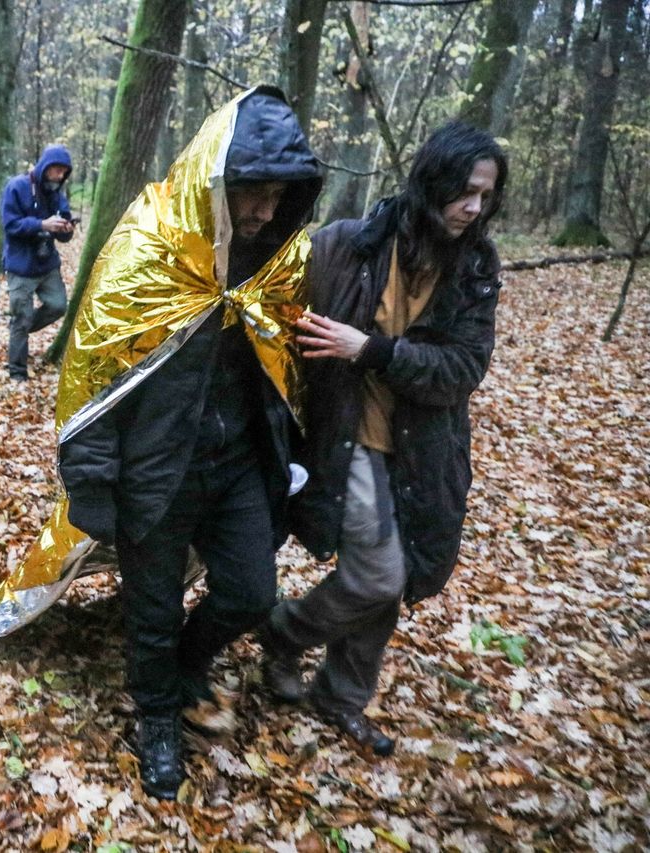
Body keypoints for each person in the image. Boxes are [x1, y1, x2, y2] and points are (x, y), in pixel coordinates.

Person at [56, 88, 322, 800]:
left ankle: (183, 665)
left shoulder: (277, 263)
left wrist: (300, 465)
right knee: (150, 606)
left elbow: (288, 368)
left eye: (278, 196)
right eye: (251, 193)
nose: (265, 211)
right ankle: (157, 717)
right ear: (216, 180)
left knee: (248, 590)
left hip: (237, 465)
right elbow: (96, 370)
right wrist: (92, 482)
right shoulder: (149, 249)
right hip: (156, 467)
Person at [259, 121, 508, 757]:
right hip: (347, 437)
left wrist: (371, 349)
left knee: (388, 581)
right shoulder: (350, 244)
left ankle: (338, 695)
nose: (474, 207)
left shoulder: (475, 265)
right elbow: (274, 318)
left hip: (425, 450)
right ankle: (284, 633)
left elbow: (461, 370)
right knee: (377, 576)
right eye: (466, 191)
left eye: (486, 196)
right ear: (435, 181)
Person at [0, 145, 74, 381]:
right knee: (20, 318)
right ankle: (17, 372)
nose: (59, 176)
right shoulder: (17, 187)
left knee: (58, 305)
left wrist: (65, 229)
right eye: (56, 170)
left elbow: (64, 231)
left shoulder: (57, 194)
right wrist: (41, 225)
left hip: (47, 265)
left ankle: (19, 332)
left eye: (63, 172)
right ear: (45, 167)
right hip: (21, 267)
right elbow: (10, 226)